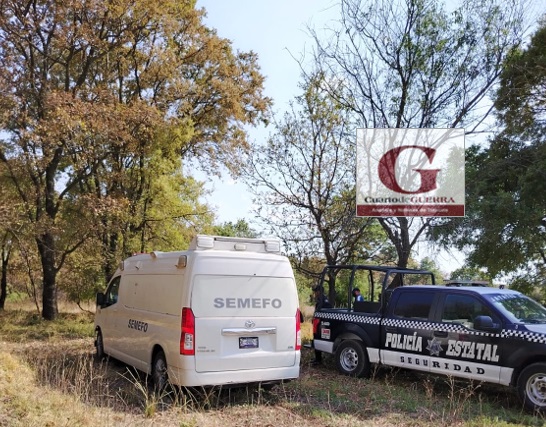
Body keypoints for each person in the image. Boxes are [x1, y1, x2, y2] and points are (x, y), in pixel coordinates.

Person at [311, 284, 331, 366]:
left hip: (320, 322)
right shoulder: (323, 299)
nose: (315, 293)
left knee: (317, 338)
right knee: (316, 338)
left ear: (319, 292)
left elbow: (322, 311)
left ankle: (318, 359)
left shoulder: (322, 300)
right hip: (319, 322)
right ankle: (317, 358)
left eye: (316, 291)